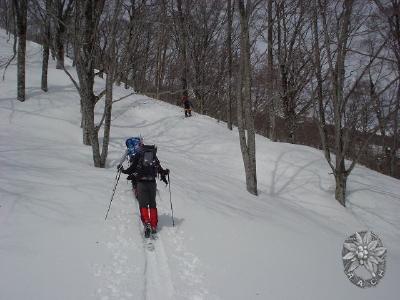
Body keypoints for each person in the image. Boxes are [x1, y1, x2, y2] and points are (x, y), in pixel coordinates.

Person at [117, 141, 169, 238]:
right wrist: (166, 172)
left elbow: (131, 169)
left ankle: (147, 222)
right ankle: (154, 225)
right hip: (152, 183)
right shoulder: (154, 156)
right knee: (152, 204)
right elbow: (160, 170)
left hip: (141, 183)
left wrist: (122, 170)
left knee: (143, 204)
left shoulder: (139, 155)